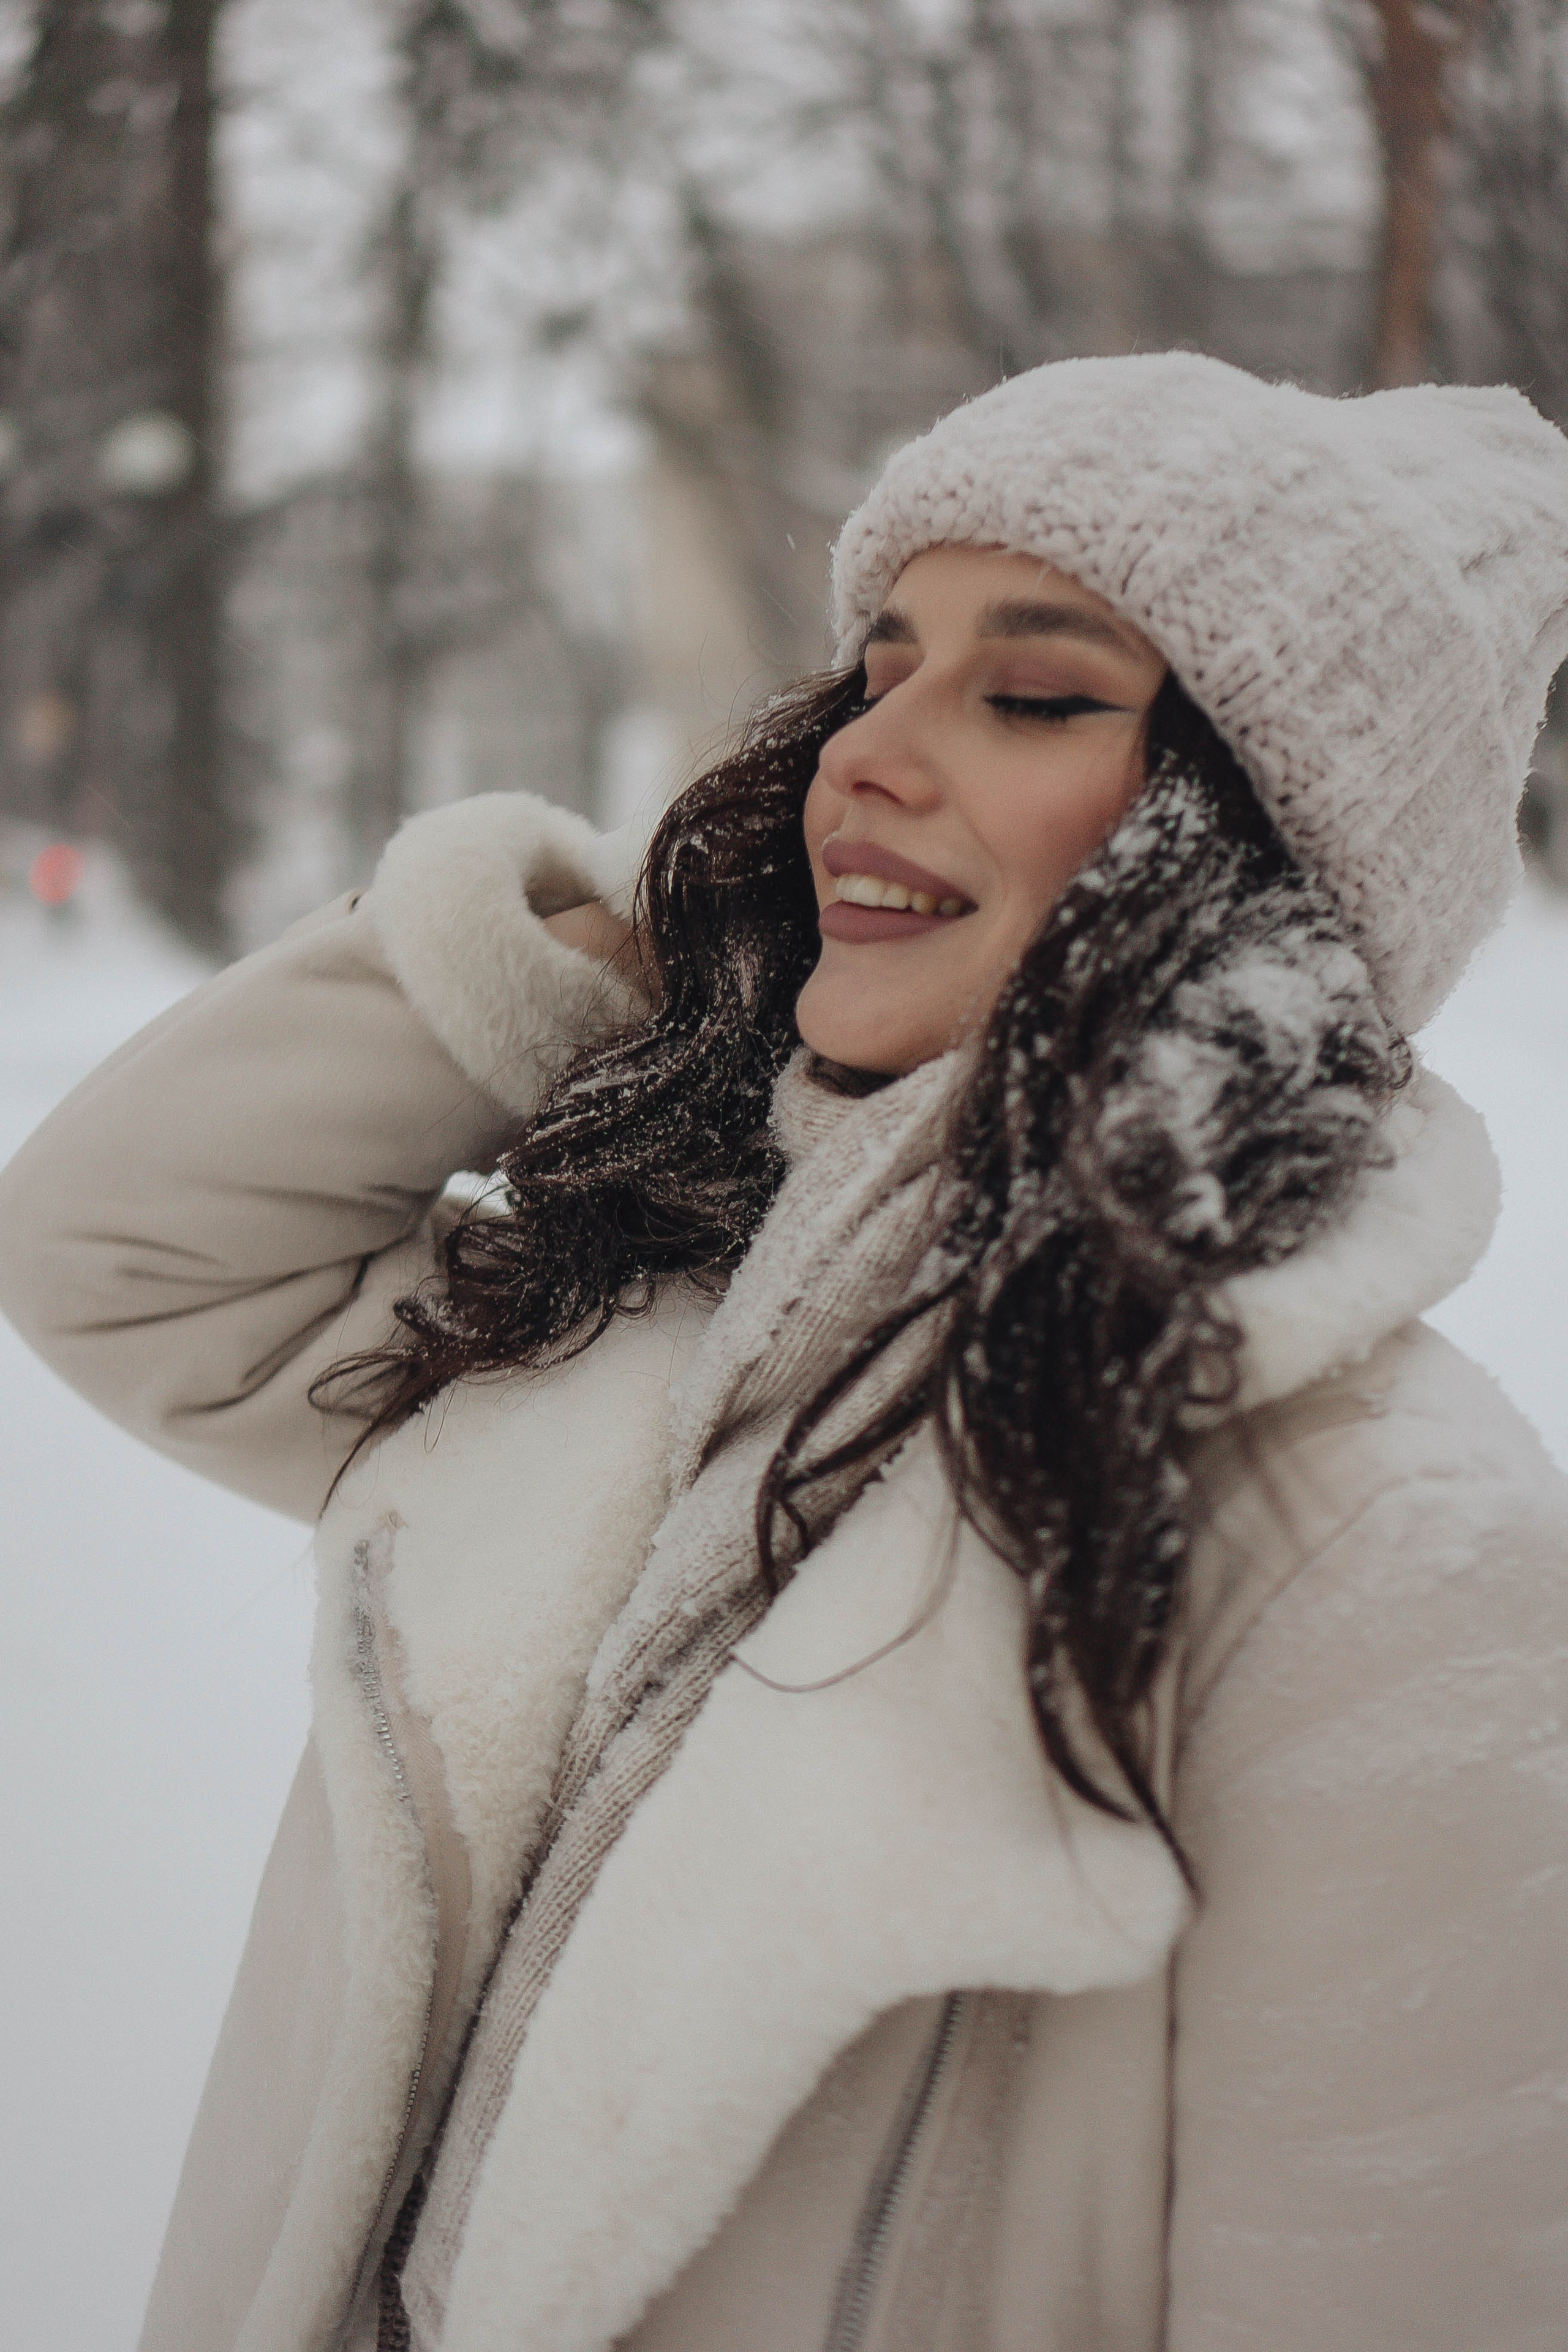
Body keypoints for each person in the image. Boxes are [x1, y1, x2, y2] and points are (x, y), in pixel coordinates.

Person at [3, 351, 1567, 2352]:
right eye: (875, 676)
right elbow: (120, 1247)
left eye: (1034, 696)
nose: (863, 754)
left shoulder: (1375, 1545)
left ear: (1250, 853)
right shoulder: (646, 1313)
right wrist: (690, 940)